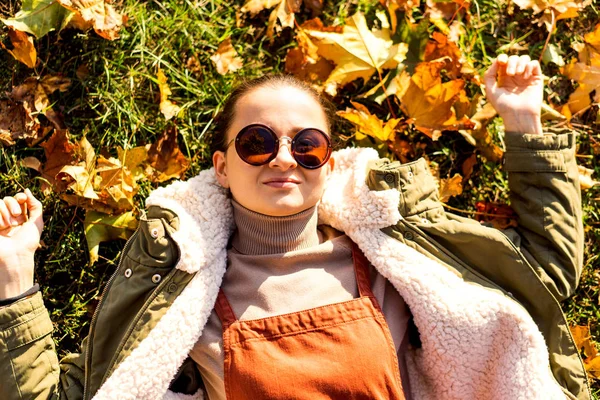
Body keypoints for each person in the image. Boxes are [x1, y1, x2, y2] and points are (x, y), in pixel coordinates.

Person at [0, 54, 590, 400]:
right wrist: (14, 279)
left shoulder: (400, 265)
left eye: (306, 145)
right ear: (223, 167)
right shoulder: (174, 299)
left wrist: (523, 119)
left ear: (327, 165)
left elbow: (544, 278)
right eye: (257, 143)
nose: (284, 158)